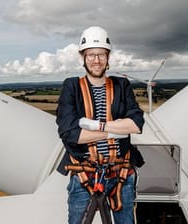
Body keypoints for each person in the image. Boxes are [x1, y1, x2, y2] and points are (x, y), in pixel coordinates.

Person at [56, 26, 145, 224]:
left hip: (121, 174)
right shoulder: (72, 87)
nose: (96, 60)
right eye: (91, 55)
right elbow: (70, 133)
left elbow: (136, 124)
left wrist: (95, 126)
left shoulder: (122, 86)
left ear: (108, 57)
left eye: (101, 55)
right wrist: (117, 131)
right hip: (84, 175)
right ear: (83, 57)